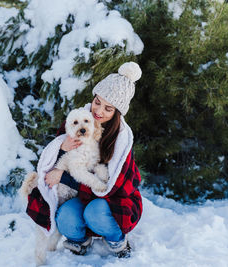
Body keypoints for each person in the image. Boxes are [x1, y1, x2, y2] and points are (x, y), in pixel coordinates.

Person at [26, 62, 143, 258]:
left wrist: (63, 177)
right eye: (97, 102)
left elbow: (110, 186)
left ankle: (116, 240)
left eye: (108, 108)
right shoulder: (77, 120)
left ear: (117, 112)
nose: (99, 111)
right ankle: (80, 240)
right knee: (65, 217)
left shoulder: (121, 140)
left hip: (112, 199)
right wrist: (61, 146)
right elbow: (54, 162)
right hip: (81, 195)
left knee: (94, 213)